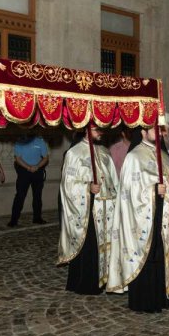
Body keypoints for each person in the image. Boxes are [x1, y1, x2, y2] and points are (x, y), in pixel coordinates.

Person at [113, 120, 169, 311]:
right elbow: (128, 192)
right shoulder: (134, 157)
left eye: (161, 129)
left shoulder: (162, 155)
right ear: (143, 132)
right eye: (155, 129)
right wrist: (153, 190)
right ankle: (145, 300)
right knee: (149, 256)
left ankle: (165, 295)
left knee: (162, 256)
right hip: (144, 220)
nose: (160, 132)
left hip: (165, 218)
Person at [58, 126, 119, 295]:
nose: (100, 132)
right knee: (90, 246)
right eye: (96, 129)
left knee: (105, 246)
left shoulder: (104, 152)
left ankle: (105, 279)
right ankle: (86, 283)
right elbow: (68, 184)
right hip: (87, 210)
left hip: (106, 210)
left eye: (101, 129)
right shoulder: (74, 153)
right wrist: (87, 187)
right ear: (86, 129)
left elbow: (114, 181)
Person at [10, 134, 49, 226]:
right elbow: (18, 159)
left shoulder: (40, 141)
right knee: (20, 196)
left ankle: (37, 218)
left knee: (37, 196)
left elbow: (46, 158)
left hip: (38, 171)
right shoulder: (19, 142)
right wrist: (28, 167)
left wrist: (37, 166)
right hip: (24, 172)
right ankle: (13, 220)